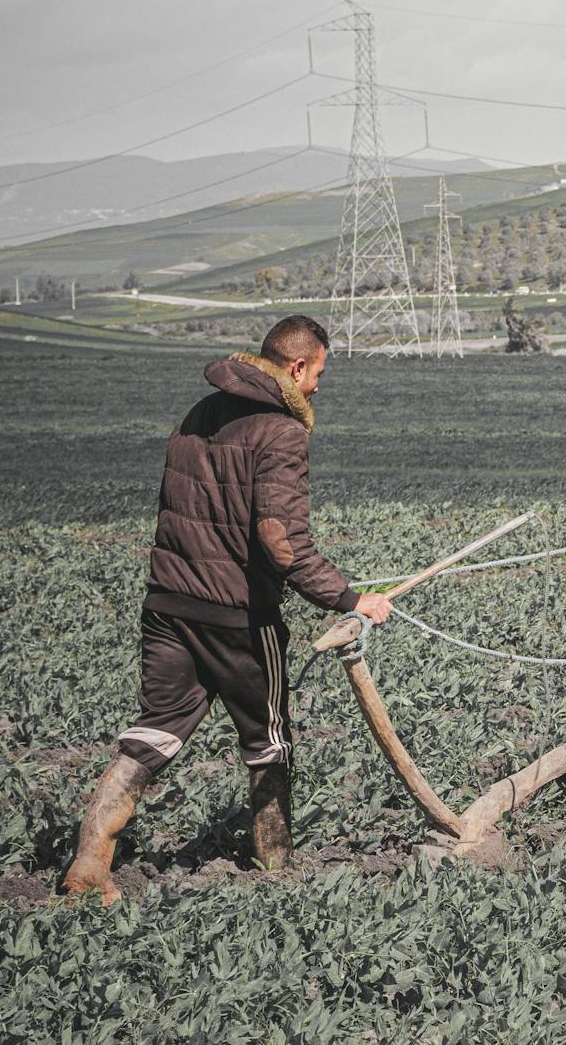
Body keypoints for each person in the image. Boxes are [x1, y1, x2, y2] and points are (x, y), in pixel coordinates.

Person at [60, 315, 391, 904]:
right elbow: (280, 541)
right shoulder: (283, 432)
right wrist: (349, 598)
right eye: (318, 373)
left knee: (155, 731)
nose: (318, 386)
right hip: (238, 616)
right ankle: (276, 864)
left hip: (167, 603)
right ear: (296, 367)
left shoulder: (199, 412)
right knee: (269, 739)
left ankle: (90, 861)